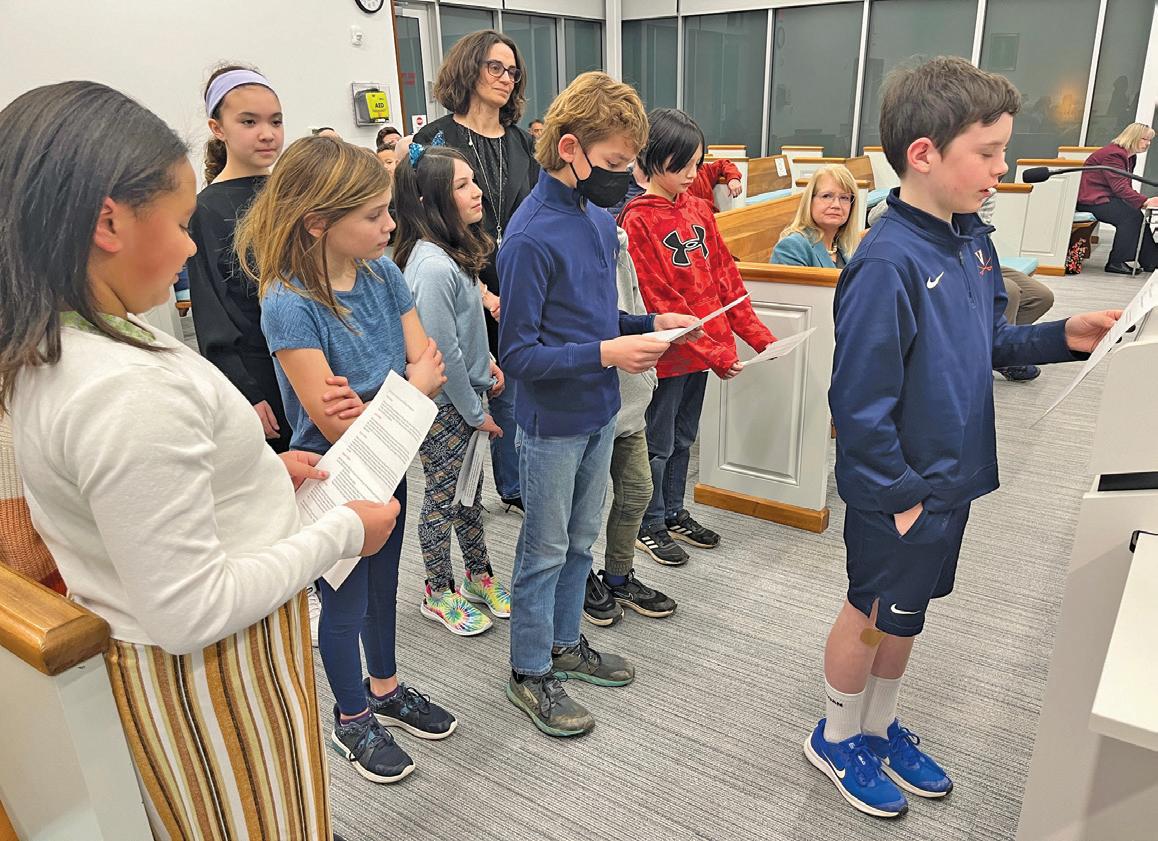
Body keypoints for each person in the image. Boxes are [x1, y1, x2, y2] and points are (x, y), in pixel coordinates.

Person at [0, 80, 401, 840]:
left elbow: (143, 497)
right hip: (215, 674)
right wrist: (344, 530)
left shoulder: (71, 340)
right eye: (182, 224)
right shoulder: (124, 389)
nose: (190, 248)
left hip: (206, 659)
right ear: (109, 222)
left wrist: (259, 475)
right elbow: (190, 609)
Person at [809, 56, 1120, 819]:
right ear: (924, 153)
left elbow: (990, 344)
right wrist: (903, 499)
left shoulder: (972, 241)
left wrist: (1063, 335)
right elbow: (857, 405)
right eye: (988, 152)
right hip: (900, 491)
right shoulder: (887, 262)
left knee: (908, 612)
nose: (1001, 169)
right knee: (869, 612)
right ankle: (836, 733)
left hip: (952, 478)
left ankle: (878, 725)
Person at [240, 136, 456, 786]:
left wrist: (385, 399)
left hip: (390, 461)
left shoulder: (384, 274)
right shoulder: (288, 302)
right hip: (333, 476)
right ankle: (351, 715)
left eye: (388, 209)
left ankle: (384, 688)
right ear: (318, 222)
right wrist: (408, 390)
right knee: (344, 604)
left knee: (384, 586)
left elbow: (430, 363)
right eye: (374, 215)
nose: (391, 224)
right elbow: (339, 421)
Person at [498, 72, 699, 736]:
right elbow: (519, 355)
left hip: (597, 411)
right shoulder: (529, 236)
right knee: (544, 548)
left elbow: (590, 317)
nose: (625, 178)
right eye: (614, 163)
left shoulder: (593, 218)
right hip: (552, 421)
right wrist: (609, 353)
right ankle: (529, 670)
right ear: (569, 148)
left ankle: (563, 644)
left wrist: (647, 323)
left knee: (580, 541)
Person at [619, 108, 775, 567]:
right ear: (652, 158)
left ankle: (672, 511)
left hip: (701, 355)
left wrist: (758, 336)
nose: (693, 174)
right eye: (682, 165)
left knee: (684, 437)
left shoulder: (699, 208)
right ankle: (648, 522)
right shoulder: (636, 219)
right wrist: (715, 350)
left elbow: (725, 278)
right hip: (668, 355)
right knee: (657, 442)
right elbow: (657, 298)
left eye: (697, 164)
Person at [415, 29, 539, 513]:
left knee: (514, 383)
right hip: (460, 280)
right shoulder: (434, 140)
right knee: (467, 385)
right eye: (495, 67)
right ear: (469, 69)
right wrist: (481, 289)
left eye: (513, 71)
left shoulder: (521, 142)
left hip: (516, 280)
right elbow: (423, 226)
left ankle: (514, 485)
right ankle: (464, 496)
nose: (506, 78)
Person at [393, 142, 511, 636]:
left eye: (473, 180)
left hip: (465, 399)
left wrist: (489, 362)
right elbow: (442, 356)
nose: (476, 191)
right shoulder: (433, 266)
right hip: (445, 407)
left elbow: (466, 332)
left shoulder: (450, 254)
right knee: (441, 503)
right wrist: (475, 412)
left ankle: (478, 576)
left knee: (468, 497)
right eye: (462, 185)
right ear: (431, 201)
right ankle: (437, 590)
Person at [188, 65, 292, 451]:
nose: (267, 133)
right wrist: (245, 390)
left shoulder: (291, 194)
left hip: (316, 360)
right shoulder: (206, 209)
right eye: (249, 122)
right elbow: (212, 312)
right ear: (218, 128)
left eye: (275, 121)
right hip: (261, 370)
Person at [582, 220, 678, 627]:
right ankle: (579, 579)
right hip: (588, 404)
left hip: (629, 399)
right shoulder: (568, 243)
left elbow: (628, 311)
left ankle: (619, 576)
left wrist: (653, 325)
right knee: (583, 509)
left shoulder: (617, 243)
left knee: (638, 490)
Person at [1077, 122, 1158, 274]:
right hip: (1092, 200)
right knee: (1130, 217)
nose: (1148, 144)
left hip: (1105, 198)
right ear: (1132, 137)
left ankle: (1151, 260)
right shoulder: (1114, 155)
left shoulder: (1129, 156)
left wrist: (1137, 201)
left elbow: (1124, 185)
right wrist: (1145, 201)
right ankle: (1116, 262)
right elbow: (1120, 187)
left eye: (1150, 140)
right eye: (1144, 139)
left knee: (1135, 215)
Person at [771, 164, 860, 268]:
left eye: (844, 198)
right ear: (810, 201)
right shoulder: (792, 247)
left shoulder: (848, 247)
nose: (836, 205)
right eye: (826, 196)